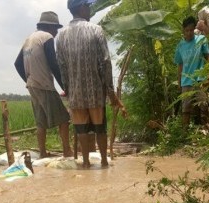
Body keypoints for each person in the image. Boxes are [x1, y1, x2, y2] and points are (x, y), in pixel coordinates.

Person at [56, 0, 126, 168]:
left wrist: (68, 88)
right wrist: (109, 89)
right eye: (88, 6)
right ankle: (103, 162)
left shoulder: (61, 36)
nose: (90, 9)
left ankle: (86, 162)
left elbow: (62, 66)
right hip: (95, 90)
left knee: (81, 130)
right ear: (81, 8)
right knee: (100, 128)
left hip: (76, 92)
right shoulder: (96, 30)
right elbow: (105, 62)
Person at [14, 11, 73, 158]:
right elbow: (54, 64)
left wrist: (28, 80)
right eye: (55, 29)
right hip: (44, 85)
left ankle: (42, 152)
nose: (56, 33)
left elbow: (17, 64)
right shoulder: (46, 37)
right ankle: (67, 150)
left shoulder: (29, 39)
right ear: (49, 27)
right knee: (64, 119)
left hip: (33, 86)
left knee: (41, 122)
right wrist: (66, 87)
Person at [174, 16, 209, 129]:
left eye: (191, 30)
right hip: (186, 81)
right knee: (186, 108)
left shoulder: (201, 40)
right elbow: (180, 65)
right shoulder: (180, 46)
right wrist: (179, 82)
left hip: (201, 78)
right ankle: (185, 132)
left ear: (194, 29)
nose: (189, 33)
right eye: (187, 30)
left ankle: (207, 129)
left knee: (203, 105)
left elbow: (207, 57)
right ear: (183, 31)